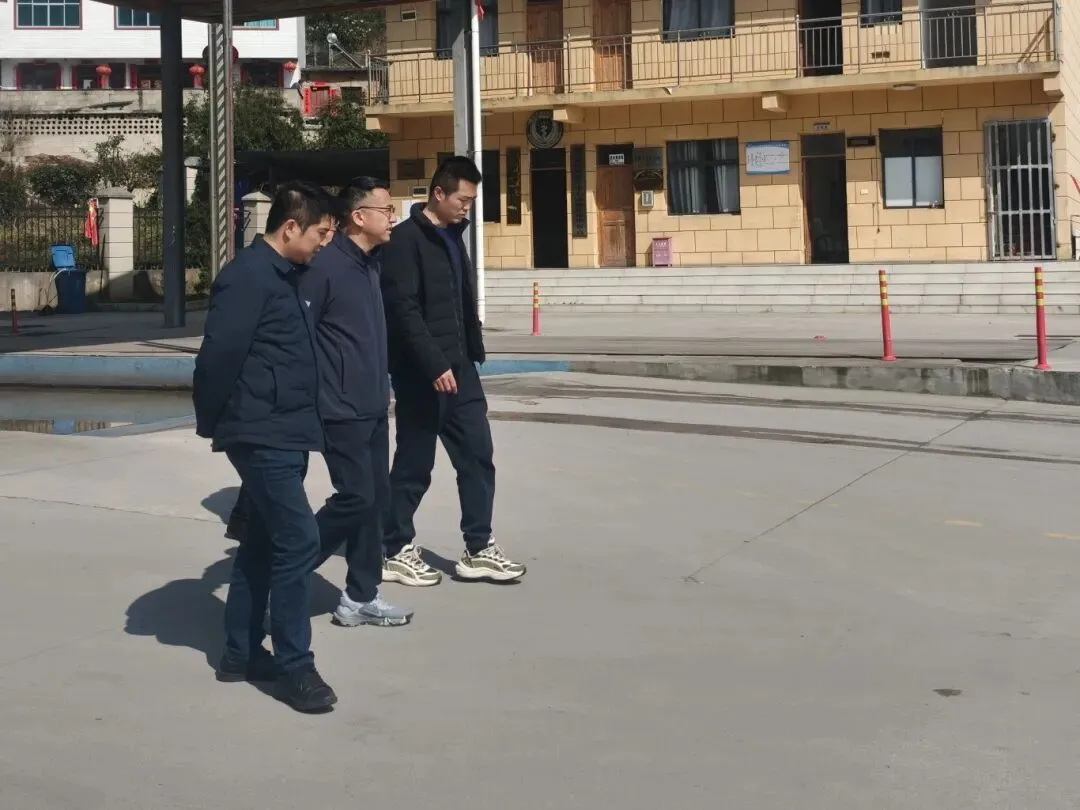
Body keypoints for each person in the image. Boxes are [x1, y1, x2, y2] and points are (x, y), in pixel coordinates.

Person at [193, 181, 339, 714]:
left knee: (260, 542)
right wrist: (217, 424)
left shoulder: (290, 275)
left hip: (288, 429)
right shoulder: (248, 276)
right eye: (320, 233)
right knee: (299, 540)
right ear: (291, 227)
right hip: (260, 432)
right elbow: (217, 358)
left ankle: (240, 653)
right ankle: (295, 667)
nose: (324, 243)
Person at [379, 156, 526, 586]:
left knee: (478, 456)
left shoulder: (451, 237)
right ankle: (394, 548)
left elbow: (459, 304)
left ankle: (479, 547)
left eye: (472, 201)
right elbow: (403, 310)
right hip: (422, 376)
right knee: (414, 465)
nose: (467, 207)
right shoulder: (404, 241)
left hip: (461, 371)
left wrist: (470, 352)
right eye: (462, 199)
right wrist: (433, 363)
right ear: (439, 193)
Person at [302, 178, 413, 628]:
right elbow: (302, 334)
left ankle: (361, 596)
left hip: (372, 405)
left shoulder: (371, 264)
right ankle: (284, 567)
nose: (393, 217)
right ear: (359, 216)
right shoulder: (325, 266)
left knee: (376, 501)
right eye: (386, 210)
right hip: (338, 407)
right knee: (356, 497)